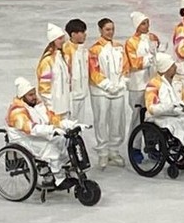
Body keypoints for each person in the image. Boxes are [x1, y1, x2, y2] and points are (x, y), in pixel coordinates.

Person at [6, 77, 78, 188]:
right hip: (24, 139)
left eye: (34, 94)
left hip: (36, 135)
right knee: (51, 147)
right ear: (23, 96)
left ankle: (56, 170)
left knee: (63, 141)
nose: (34, 97)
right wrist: (51, 130)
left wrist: (67, 124)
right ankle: (59, 179)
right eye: (30, 95)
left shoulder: (37, 106)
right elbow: (31, 128)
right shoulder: (16, 111)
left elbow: (52, 119)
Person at [88, 17, 128, 169]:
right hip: (100, 91)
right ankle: (103, 153)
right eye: (107, 29)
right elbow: (94, 71)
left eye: (112, 29)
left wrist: (122, 82)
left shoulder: (119, 47)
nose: (110, 32)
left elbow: (125, 66)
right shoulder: (95, 49)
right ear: (100, 30)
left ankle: (114, 150)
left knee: (117, 121)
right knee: (101, 121)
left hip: (118, 90)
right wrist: (107, 85)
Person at [144, 53, 184, 148]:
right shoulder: (154, 84)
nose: (175, 67)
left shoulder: (177, 82)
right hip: (160, 118)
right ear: (166, 69)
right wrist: (171, 106)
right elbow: (152, 109)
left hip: (175, 115)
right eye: (172, 66)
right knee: (178, 124)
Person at [125, 11, 159, 132]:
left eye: (147, 23)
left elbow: (157, 56)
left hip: (151, 83)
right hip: (137, 85)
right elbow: (134, 63)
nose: (147, 26)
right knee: (137, 116)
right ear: (137, 26)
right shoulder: (131, 42)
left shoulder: (153, 38)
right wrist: (150, 58)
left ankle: (150, 140)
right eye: (143, 23)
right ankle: (134, 142)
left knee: (151, 115)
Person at [36, 23, 71, 119]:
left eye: (63, 38)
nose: (63, 41)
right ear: (53, 40)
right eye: (59, 39)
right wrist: (50, 107)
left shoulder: (62, 57)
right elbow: (44, 87)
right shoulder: (48, 61)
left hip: (64, 106)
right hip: (54, 108)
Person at [63, 19, 90, 120]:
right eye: (82, 32)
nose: (85, 35)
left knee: (80, 123)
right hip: (71, 96)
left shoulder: (83, 49)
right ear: (73, 34)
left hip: (82, 93)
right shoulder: (66, 50)